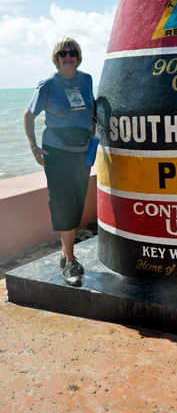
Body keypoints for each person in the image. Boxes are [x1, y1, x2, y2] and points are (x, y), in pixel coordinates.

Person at [24, 37, 95, 287]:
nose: (68, 56)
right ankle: (71, 261)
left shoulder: (86, 79)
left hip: (82, 151)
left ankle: (65, 255)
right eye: (63, 52)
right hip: (58, 152)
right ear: (56, 56)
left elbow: (91, 109)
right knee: (64, 202)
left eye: (73, 52)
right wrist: (34, 147)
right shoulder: (48, 84)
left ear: (78, 55)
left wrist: (94, 132)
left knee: (76, 201)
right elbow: (29, 115)